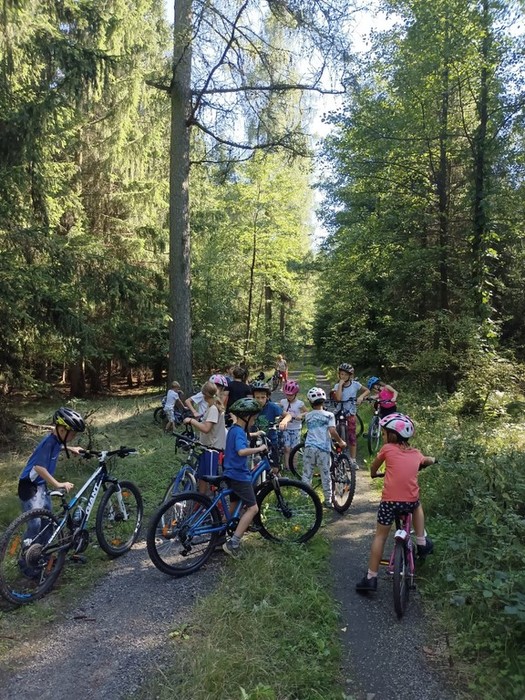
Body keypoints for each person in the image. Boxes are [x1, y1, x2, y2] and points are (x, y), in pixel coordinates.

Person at [355, 413, 435, 593]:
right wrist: (433, 460)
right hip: (410, 503)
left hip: (389, 503)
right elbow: (426, 460)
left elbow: (374, 466)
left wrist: (373, 474)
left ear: (392, 435)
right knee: (417, 505)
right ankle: (421, 541)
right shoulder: (416, 453)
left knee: (380, 537)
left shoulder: (387, 449)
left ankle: (371, 578)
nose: (383, 437)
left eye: (384, 434)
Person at [18, 407, 85, 540]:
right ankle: (27, 550)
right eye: (72, 434)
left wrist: (71, 448)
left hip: (41, 486)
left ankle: (43, 551)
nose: (73, 437)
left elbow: (57, 447)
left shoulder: (55, 440)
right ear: (62, 430)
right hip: (29, 487)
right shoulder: (48, 443)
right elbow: (39, 468)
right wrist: (58, 484)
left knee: (47, 521)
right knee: (35, 524)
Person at [222, 398, 268, 559]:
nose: (254, 421)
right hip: (239, 475)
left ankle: (219, 536)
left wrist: (255, 434)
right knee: (253, 508)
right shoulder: (239, 432)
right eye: (253, 418)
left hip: (230, 473)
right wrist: (259, 448)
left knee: (234, 506)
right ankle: (233, 543)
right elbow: (241, 451)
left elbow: (240, 441)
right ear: (246, 417)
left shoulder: (234, 430)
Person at [302, 387, 346, 509]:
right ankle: (328, 500)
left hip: (309, 447)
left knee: (307, 474)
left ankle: (304, 498)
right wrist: (340, 441)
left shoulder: (308, 416)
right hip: (323, 449)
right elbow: (332, 431)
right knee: (325, 475)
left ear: (310, 402)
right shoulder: (329, 415)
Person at [183, 381, 226, 493]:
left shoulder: (213, 409)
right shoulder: (210, 406)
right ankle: (200, 500)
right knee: (202, 477)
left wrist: (192, 421)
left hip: (213, 449)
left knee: (212, 482)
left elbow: (206, 428)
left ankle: (216, 501)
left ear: (205, 395)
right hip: (206, 447)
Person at [333, 362, 369, 467]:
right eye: (341, 374)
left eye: (345, 375)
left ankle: (353, 460)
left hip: (350, 413)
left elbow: (367, 390)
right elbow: (338, 398)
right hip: (339, 411)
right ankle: (337, 456)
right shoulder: (337, 386)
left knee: (352, 435)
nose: (343, 376)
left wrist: (361, 397)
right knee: (334, 432)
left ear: (350, 376)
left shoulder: (355, 385)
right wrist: (340, 385)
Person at [279, 379, 307, 470]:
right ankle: (287, 466)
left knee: (294, 448)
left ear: (295, 394)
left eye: (291, 395)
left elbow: (307, 412)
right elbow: (279, 410)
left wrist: (301, 415)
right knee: (286, 448)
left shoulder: (300, 404)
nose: (289, 397)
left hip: (296, 428)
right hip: (286, 428)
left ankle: (293, 467)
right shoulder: (283, 402)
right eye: (287, 394)